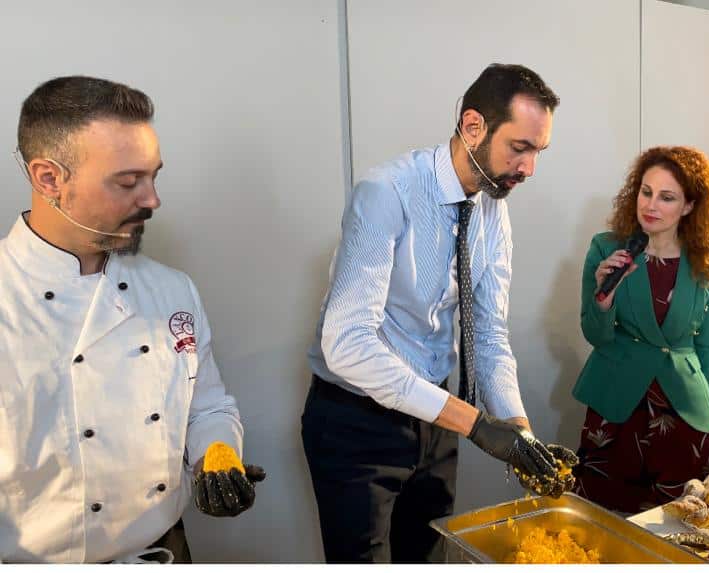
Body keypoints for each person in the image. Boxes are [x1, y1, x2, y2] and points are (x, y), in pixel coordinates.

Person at [303, 63, 576, 563]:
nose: (529, 169)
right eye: (520, 148)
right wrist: (476, 425)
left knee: (428, 562)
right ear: (473, 126)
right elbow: (345, 345)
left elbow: (488, 334)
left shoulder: (494, 208)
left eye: (538, 152)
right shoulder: (386, 194)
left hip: (437, 421)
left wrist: (519, 434)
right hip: (356, 424)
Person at [0, 76, 263, 564]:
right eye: (128, 182)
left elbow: (206, 404)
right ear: (48, 178)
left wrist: (215, 454)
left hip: (163, 552)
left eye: (153, 176)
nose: (152, 199)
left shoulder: (171, 289)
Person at [571, 146, 709, 514]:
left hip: (684, 409)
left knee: (682, 525)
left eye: (667, 197)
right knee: (604, 519)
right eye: (646, 192)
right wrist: (603, 297)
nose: (651, 205)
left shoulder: (707, 261)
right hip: (617, 406)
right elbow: (596, 335)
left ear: (689, 206)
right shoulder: (606, 248)